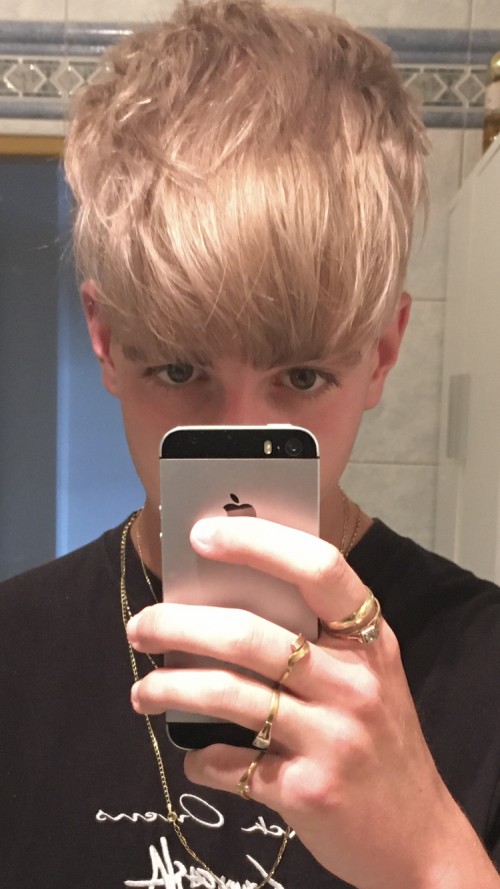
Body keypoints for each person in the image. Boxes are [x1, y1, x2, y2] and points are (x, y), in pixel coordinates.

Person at [1, 1, 499, 886]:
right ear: (107, 340)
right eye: (179, 369)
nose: (239, 439)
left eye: (301, 376)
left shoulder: (485, 663)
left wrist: (431, 856)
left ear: (383, 353)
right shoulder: (14, 654)